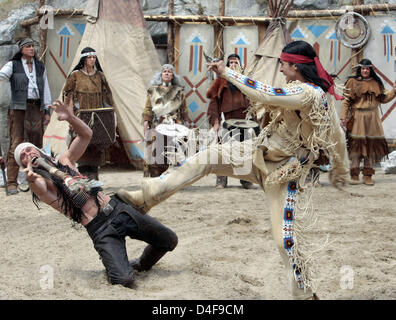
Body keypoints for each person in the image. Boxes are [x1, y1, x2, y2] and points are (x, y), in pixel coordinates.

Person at [117, 40, 349, 299]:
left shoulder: (309, 94)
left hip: (283, 173)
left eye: (283, 64)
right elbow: (336, 132)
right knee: (207, 157)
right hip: (257, 152)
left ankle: (304, 294)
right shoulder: (301, 89)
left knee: (284, 238)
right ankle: (145, 196)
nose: (281, 68)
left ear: (295, 65)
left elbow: (268, 95)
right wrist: (343, 168)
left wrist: (226, 72)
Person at [14, 98, 178, 288]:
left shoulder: (65, 160)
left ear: (37, 149)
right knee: (124, 280)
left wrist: (70, 118)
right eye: (22, 157)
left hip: (118, 210)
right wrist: (31, 178)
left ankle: (141, 263)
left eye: (28, 150)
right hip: (101, 229)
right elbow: (39, 188)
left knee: (169, 240)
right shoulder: (44, 184)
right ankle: (114, 265)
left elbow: (86, 135)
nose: (27, 155)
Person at [0, 37, 52, 195]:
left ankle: (37, 181)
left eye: (33, 46)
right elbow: (1, 76)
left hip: (35, 108)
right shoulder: (13, 65)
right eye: (28, 46)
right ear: (21, 49)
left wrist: (47, 110)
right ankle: (12, 182)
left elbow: (46, 88)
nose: (32, 49)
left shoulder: (40, 66)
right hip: (18, 109)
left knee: (35, 145)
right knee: (16, 143)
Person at [341, 59, 396, 186]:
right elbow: (346, 101)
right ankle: (354, 174)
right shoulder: (352, 82)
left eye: (367, 69)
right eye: (363, 68)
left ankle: (368, 174)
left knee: (371, 146)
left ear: (370, 70)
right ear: (360, 69)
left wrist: (394, 91)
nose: (365, 71)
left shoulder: (376, 82)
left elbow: (384, 98)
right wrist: (343, 118)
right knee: (356, 146)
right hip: (358, 117)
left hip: (373, 118)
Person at [63, 47, 115, 180]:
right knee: (81, 145)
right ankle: (82, 177)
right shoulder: (75, 75)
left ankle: (94, 177)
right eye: (89, 58)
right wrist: (70, 118)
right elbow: (67, 97)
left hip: (97, 116)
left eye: (94, 58)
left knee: (96, 146)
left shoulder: (100, 76)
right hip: (81, 116)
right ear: (84, 60)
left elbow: (107, 98)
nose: (92, 60)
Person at [206, 53, 254, 189]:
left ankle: (246, 179)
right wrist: (215, 121)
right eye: (231, 63)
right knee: (223, 150)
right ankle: (221, 179)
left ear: (240, 65)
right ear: (227, 65)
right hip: (227, 120)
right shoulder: (221, 81)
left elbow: (253, 101)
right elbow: (214, 102)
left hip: (244, 121)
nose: (233, 65)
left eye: (236, 62)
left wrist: (254, 119)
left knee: (244, 150)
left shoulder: (246, 81)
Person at [142, 64, 192, 177]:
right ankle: (156, 173)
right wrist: (146, 123)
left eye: (169, 72)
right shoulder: (153, 91)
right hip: (158, 123)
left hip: (175, 123)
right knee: (157, 149)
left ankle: (174, 176)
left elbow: (183, 109)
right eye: (164, 71)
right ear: (161, 74)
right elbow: (148, 108)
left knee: (175, 149)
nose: (167, 73)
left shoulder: (179, 92)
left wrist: (187, 122)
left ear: (173, 75)